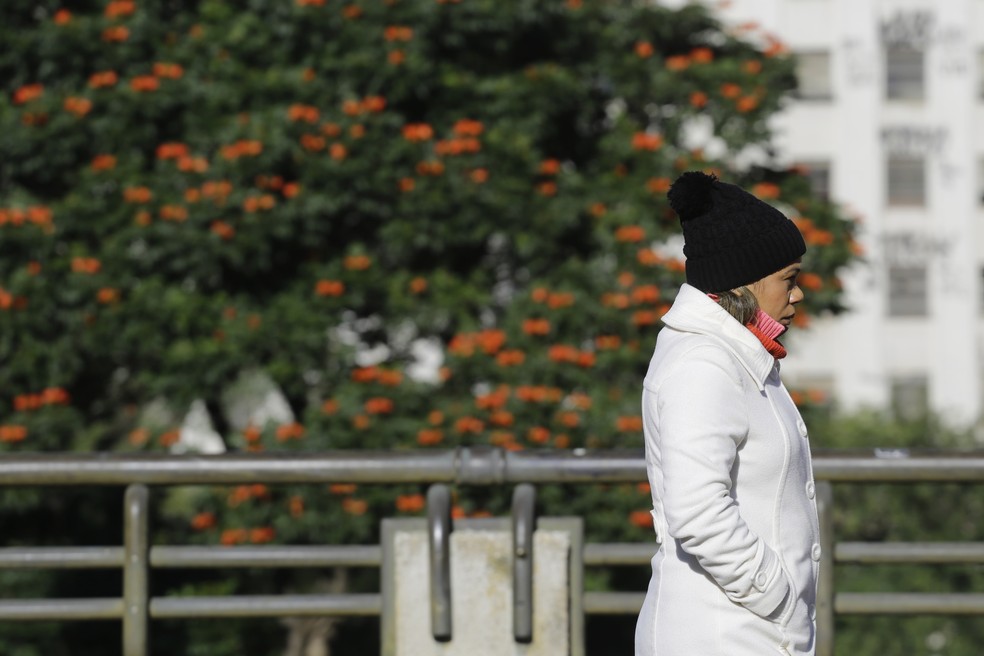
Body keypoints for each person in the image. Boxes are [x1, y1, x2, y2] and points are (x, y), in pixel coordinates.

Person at [635, 171, 820, 656]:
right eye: (789, 279)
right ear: (744, 282)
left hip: (747, 633)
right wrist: (778, 597)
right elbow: (698, 513)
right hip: (720, 636)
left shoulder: (737, 355)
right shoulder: (704, 365)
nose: (797, 294)